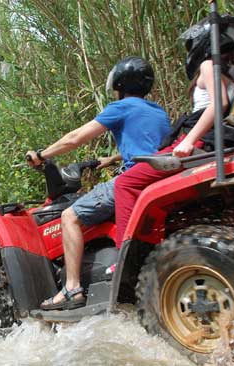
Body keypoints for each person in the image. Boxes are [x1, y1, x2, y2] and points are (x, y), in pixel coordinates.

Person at [26, 56, 171, 310]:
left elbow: (75, 138)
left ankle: (71, 288)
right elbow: (150, 147)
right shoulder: (158, 112)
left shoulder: (122, 107)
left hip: (130, 181)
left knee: (70, 216)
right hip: (156, 178)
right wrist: (113, 158)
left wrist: (42, 155)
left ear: (119, 83)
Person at [113, 20, 234, 247]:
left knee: (125, 183)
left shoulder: (209, 66)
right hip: (217, 138)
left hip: (199, 140)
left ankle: (130, 251)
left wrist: (189, 141)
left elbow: (218, 103)